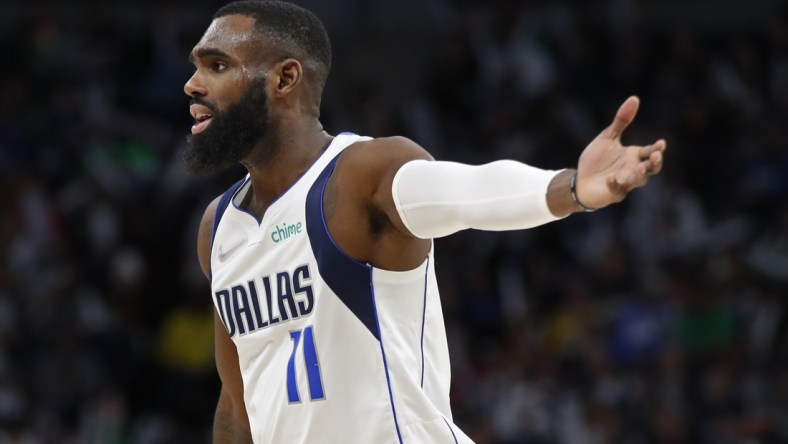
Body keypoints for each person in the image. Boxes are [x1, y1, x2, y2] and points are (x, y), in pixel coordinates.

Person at [184, 1, 666, 443]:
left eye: (217, 65)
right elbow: (237, 404)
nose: (193, 84)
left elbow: (468, 192)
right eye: (197, 66)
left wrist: (571, 188)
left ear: (284, 79)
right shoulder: (219, 228)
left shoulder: (361, 174)